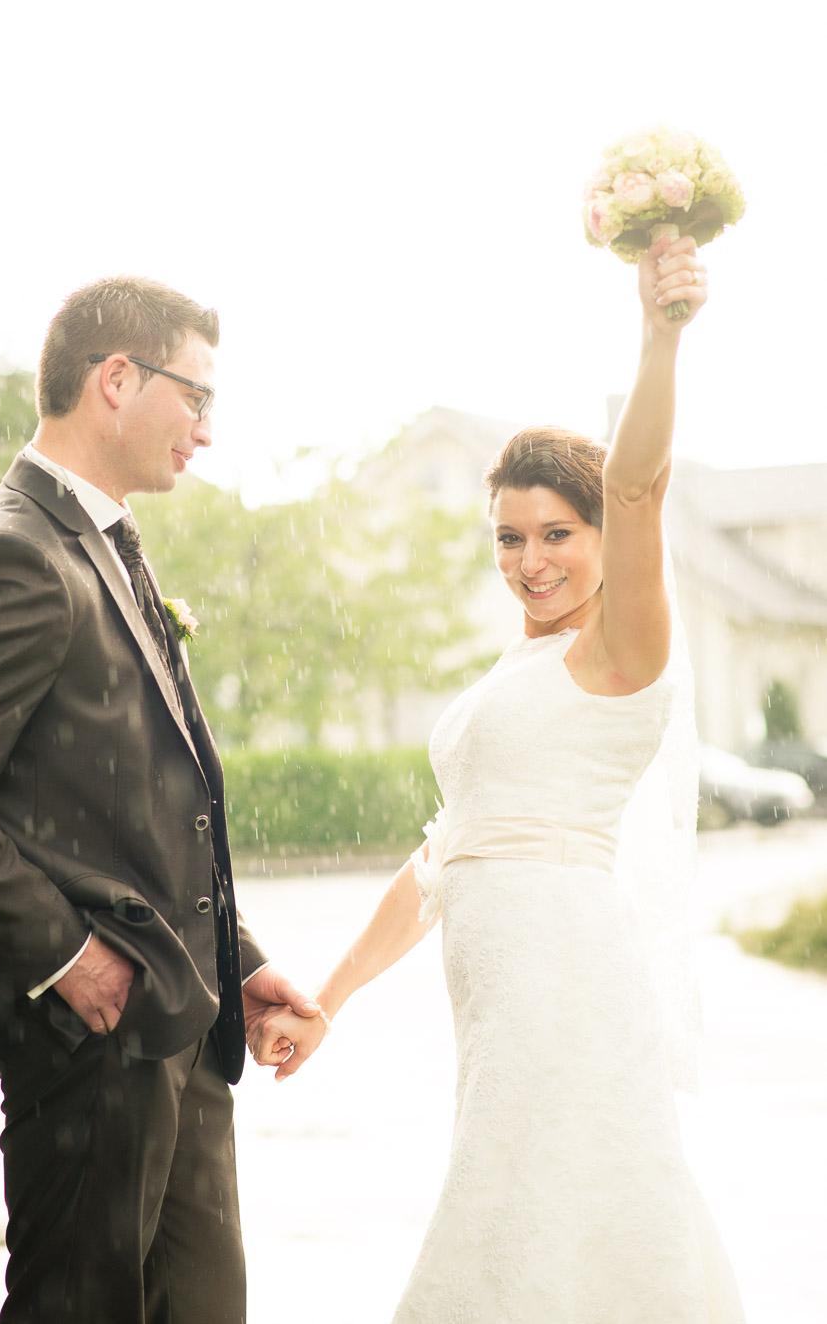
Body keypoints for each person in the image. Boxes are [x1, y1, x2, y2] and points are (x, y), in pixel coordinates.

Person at [249, 235, 747, 1320]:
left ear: (606, 537)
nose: (532, 560)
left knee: (542, 1204)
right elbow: (439, 861)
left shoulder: (620, 652)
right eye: (510, 536)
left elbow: (639, 482)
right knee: (534, 1208)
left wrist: (657, 336)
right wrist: (328, 998)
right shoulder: (512, 672)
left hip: (567, 978)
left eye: (558, 533)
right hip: (498, 993)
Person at [0, 275, 316, 1324]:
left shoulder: (102, 539)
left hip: (181, 1023)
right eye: (197, 396)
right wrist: (70, 956)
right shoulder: (20, 551)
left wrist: (235, 958)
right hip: (93, 1041)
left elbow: (137, 805)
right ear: (118, 378)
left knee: (198, 1307)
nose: (205, 428)